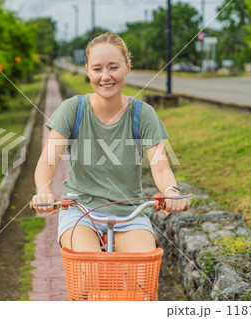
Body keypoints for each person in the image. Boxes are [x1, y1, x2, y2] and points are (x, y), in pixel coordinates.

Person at [33, 32, 187, 253]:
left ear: (127, 66)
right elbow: (47, 162)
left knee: (141, 273)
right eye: (97, 69)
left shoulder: (143, 114)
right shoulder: (73, 109)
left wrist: (172, 191)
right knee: (89, 266)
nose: (105, 76)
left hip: (130, 212)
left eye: (113, 67)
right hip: (80, 210)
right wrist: (44, 191)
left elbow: (161, 167)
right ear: (87, 70)